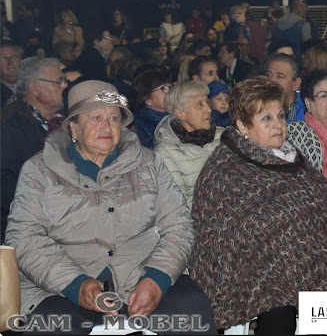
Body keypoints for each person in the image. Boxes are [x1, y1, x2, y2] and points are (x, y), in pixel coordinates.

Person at [5, 80, 216, 334]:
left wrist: (157, 278)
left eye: (114, 118)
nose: (106, 127)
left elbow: (179, 225)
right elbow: (24, 237)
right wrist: (76, 285)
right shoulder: (39, 170)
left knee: (191, 310)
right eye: (96, 118)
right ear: (73, 127)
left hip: (141, 273)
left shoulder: (148, 163)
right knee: (51, 326)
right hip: (64, 284)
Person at [189, 76, 327, 333]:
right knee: (279, 307)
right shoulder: (225, 168)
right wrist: (305, 249)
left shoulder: (290, 154)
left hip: (309, 255)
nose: (278, 124)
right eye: (266, 118)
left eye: (281, 116)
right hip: (250, 268)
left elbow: (324, 202)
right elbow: (240, 235)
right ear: (243, 125)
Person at [1, 57, 65, 242]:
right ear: (35, 88)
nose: (64, 86)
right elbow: (4, 180)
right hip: (25, 225)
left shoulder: (66, 121)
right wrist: (48, 204)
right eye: (58, 81)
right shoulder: (8, 124)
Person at [153, 81, 222, 210]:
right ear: (180, 113)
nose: (208, 109)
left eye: (207, 102)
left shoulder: (223, 136)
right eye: (200, 105)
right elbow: (178, 205)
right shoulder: (165, 152)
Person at [287, 70, 327, 208]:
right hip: (312, 206)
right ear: (308, 103)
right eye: (323, 96)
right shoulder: (295, 132)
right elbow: (295, 181)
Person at [129, 69, 171, 149]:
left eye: (170, 87)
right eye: (162, 88)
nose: (169, 91)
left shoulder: (179, 113)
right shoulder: (138, 128)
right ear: (147, 99)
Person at [264, 52, 305, 123]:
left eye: (279, 76)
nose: (271, 80)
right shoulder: (256, 106)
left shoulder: (308, 107)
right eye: (268, 75)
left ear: (295, 84)